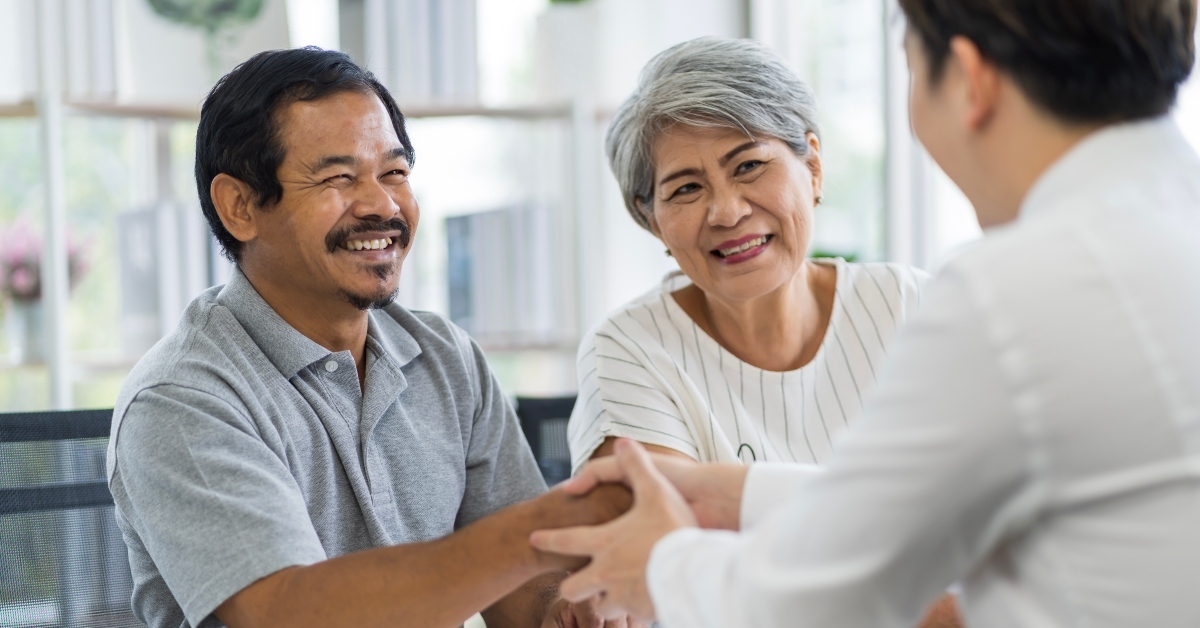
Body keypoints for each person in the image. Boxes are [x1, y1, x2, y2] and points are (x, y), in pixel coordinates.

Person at [532, 0, 1200, 626]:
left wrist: (664, 562)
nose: (727, 210)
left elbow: (836, 598)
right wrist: (735, 494)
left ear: (969, 79)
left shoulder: (1010, 293)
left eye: (909, 64)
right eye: (687, 187)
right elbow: (922, 511)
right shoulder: (1165, 230)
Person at [105, 47, 634, 628]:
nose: (383, 204)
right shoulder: (181, 399)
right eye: (338, 177)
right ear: (240, 206)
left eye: (395, 173)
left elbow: (526, 594)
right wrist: (533, 536)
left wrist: (570, 607)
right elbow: (288, 613)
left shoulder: (446, 358)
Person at [568, 37, 927, 471]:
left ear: (812, 167)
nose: (727, 213)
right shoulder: (629, 350)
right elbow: (657, 532)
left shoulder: (914, 306)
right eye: (686, 188)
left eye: (749, 166)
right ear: (652, 221)